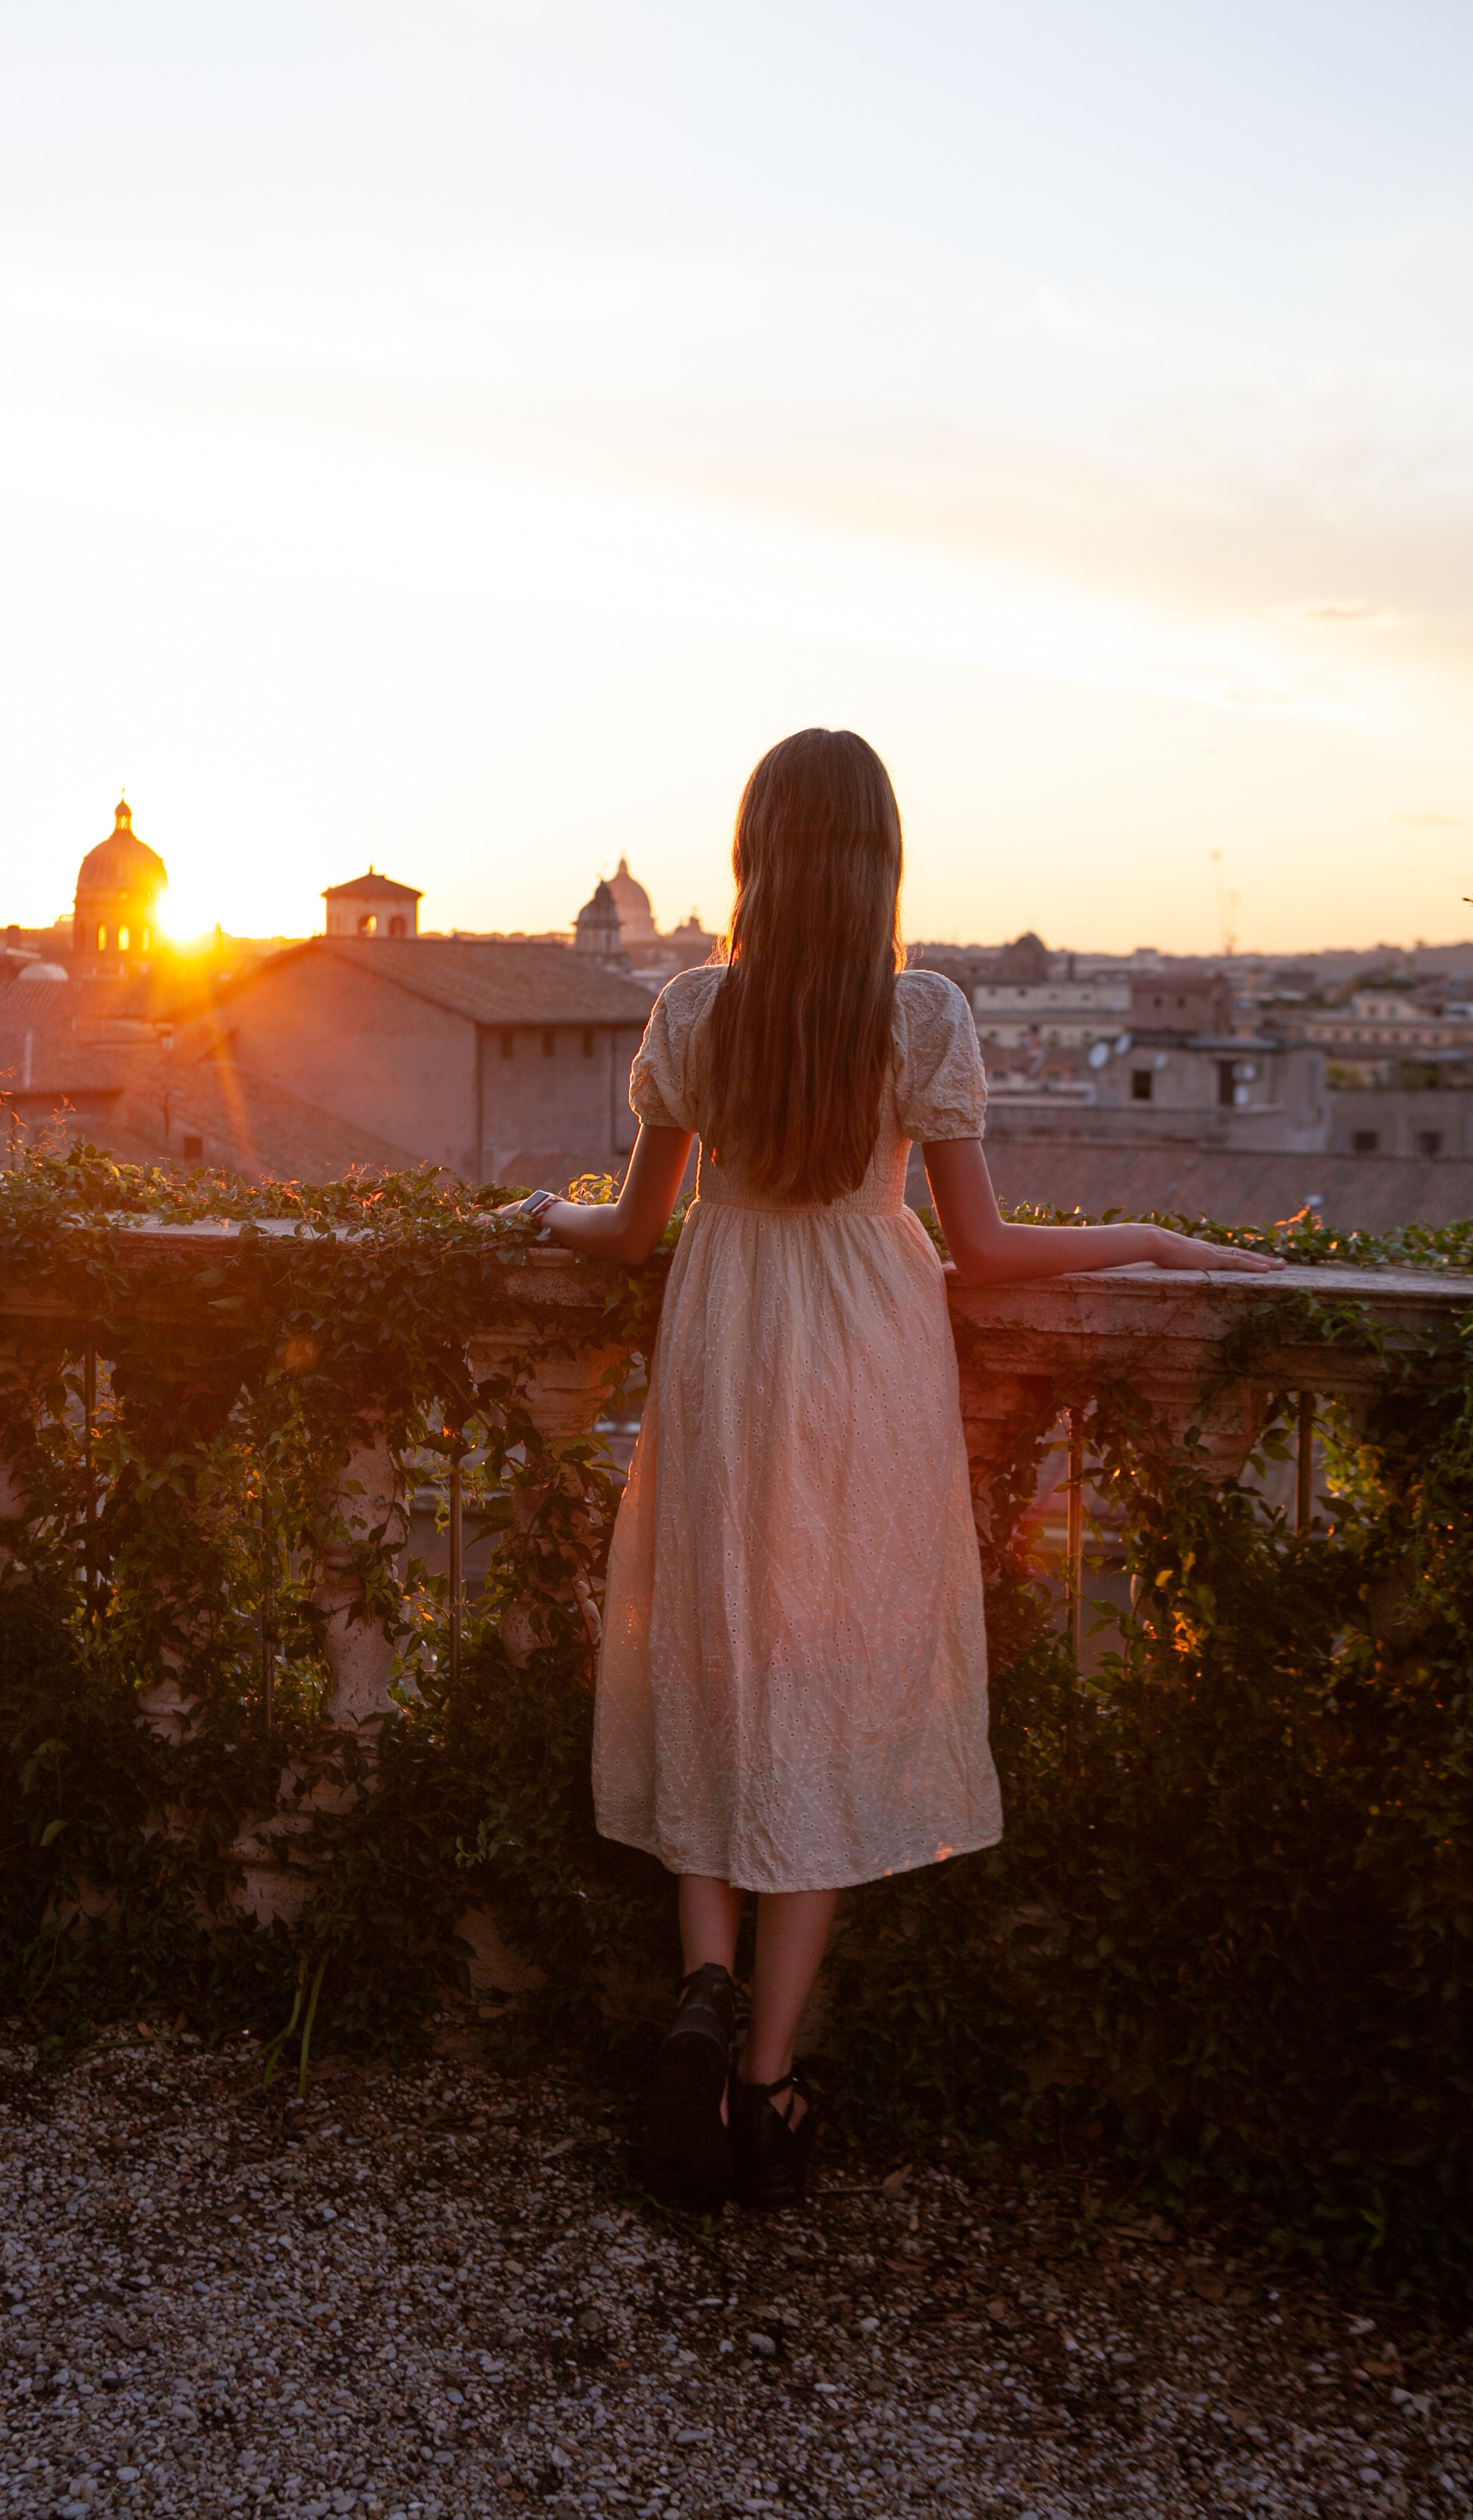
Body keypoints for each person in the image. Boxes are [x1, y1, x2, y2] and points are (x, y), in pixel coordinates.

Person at [500, 728, 1280, 2214]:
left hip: (726, 1347)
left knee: (715, 1665)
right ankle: (764, 2084)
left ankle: (703, 1990)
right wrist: (1151, 1236)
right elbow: (981, 1247)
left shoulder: (692, 1009)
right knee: (826, 1700)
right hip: (865, 1361)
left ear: (754, 853)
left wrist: (546, 1212)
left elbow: (631, 1232)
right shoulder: (920, 1014)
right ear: (879, 860)